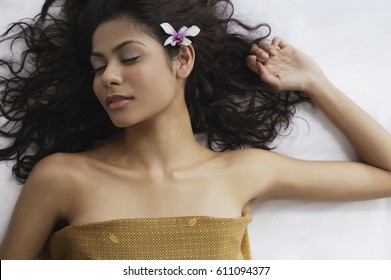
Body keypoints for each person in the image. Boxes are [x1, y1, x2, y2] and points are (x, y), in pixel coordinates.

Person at [0, 0, 390, 260]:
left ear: (182, 57)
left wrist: (315, 83)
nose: (109, 77)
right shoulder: (62, 177)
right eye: (98, 66)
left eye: (129, 57)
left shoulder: (243, 172)